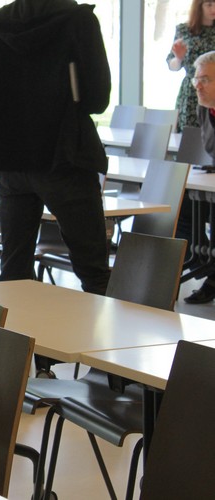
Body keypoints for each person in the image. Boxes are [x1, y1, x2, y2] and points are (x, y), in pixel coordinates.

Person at [0, 0, 112, 295]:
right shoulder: (78, 19)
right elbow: (98, 98)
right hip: (64, 156)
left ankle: (16, 328)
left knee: (14, 272)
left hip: (9, 160)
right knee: (94, 273)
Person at [181, 50, 215, 303]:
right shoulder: (205, 109)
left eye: (205, 80)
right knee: (180, 207)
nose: (197, 86)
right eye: (196, 79)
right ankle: (204, 263)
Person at [167, 0, 215, 132]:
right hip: (192, 89)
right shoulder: (185, 30)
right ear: (199, 6)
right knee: (190, 134)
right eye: (209, 5)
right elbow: (172, 66)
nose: (213, 9)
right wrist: (179, 58)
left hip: (213, 88)